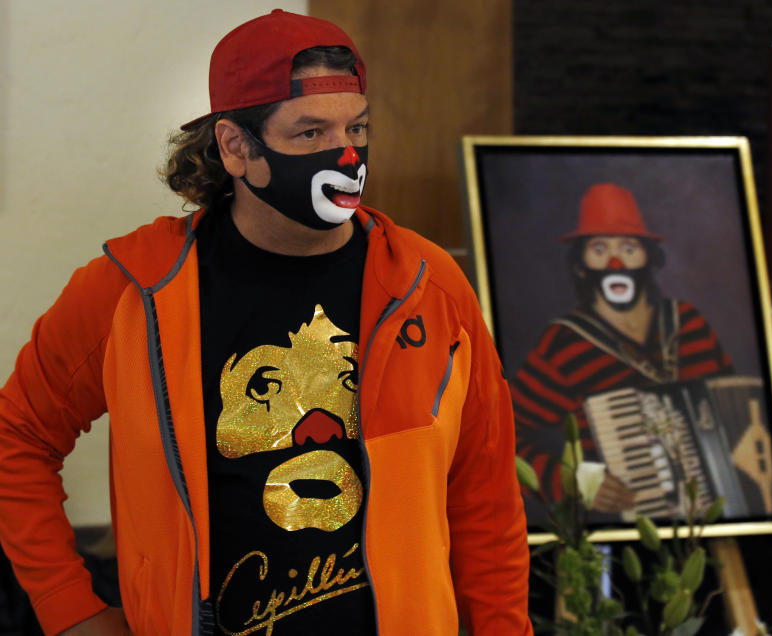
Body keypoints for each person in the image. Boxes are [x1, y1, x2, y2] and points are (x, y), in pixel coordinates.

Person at [0, 10, 530, 636]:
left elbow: (485, 499)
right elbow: (17, 439)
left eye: (357, 127)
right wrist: (70, 609)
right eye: (310, 134)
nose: (348, 155)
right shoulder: (133, 290)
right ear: (234, 147)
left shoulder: (428, 287)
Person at [512, 183, 732, 517]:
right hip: (617, 530)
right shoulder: (564, 344)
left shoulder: (688, 323)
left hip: (712, 520)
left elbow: (733, 413)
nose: (616, 263)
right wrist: (574, 481)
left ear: (649, 259)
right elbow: (497, 437)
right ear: (581, 265)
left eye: (629, 248)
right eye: (599, 249)